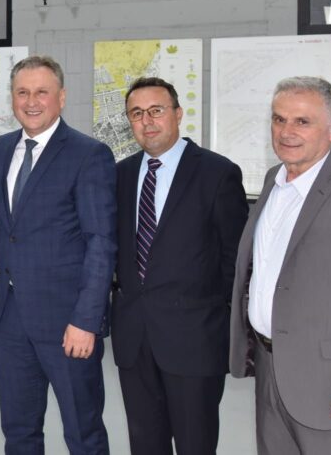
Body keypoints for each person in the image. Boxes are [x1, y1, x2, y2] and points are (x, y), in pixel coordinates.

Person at [230, 76, 331, 454]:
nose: (286, 132)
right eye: (279, 119)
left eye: (302, 121)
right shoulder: (274, 182)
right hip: (271, 378)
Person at [111, 77, 248, 455]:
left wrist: (218, 322)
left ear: (177, 114)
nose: (147, 121)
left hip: (194, 342)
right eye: (136, 113)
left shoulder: (217, 173)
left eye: (156, 110)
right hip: (135, 339)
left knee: (195, 445)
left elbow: (235, 260)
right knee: (145, 444)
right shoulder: (120, 175)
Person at [0, 55, 116, 455]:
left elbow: (100, 242)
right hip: (9, 321)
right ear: (12, 97)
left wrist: (86, 321)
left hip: (67, 323)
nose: (31, 101)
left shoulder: (88, 154)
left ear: (61, 97)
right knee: (19, 433)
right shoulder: (2, 148)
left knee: (83, 434)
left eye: (42, 92)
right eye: (22, 92)